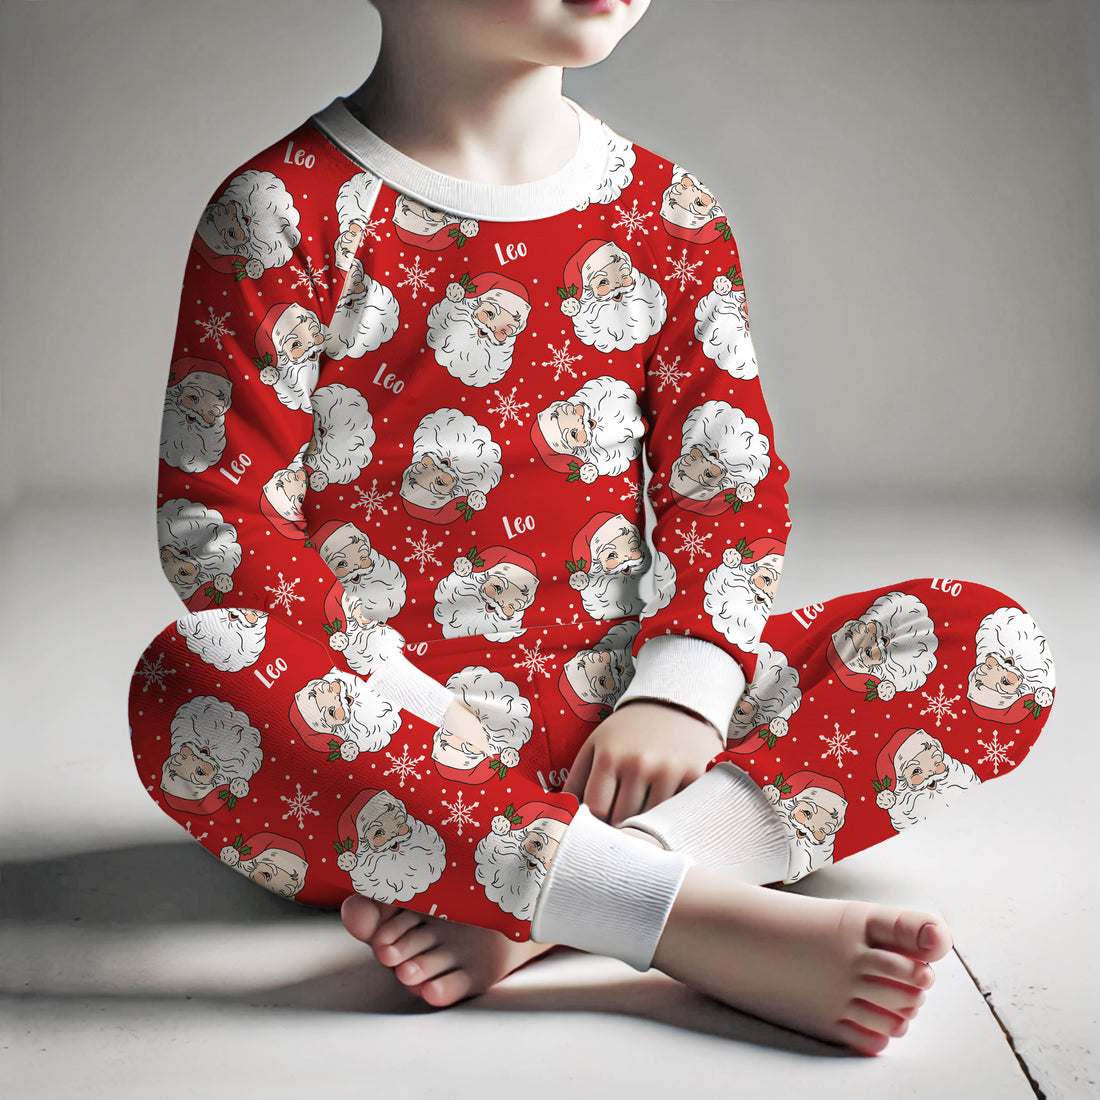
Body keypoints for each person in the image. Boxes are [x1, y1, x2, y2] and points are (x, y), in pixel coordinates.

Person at [130, 0, 1056, 1057]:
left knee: (983, 642)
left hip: (629, 738)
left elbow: (728, 488)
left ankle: (550, 903)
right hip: (384, 757)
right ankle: (676, 910)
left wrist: (683, 690)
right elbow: (222, 521)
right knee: (192, 673)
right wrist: (414, 712)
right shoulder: (282, 209)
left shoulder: (669, 211)